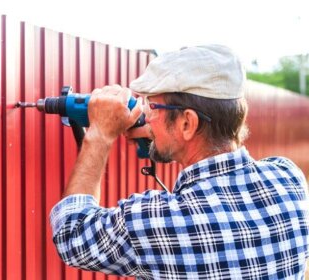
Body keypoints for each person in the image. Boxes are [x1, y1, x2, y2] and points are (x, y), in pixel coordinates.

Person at [49, 44, 309, 279]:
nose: (147, 116)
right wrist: (170, 135)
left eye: (153, 108)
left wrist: (100, 134)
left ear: (188, 123)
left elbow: (73, 235)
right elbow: (224, 163)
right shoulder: (288, 178)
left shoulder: (156, 222)